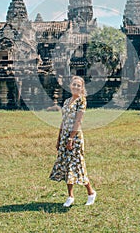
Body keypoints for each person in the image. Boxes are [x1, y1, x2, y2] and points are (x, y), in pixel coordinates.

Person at [49, 76, 96, 207]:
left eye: (78, 85)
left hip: (74, 137)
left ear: (82, 88)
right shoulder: (66, 101)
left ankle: (91, 192)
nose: (76, 87)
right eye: (74, 84)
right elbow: (63, 121)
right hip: (64, 135)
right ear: (70, 86)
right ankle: (70, 196)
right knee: (66, 164)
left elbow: (78, 121)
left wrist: (71, 138)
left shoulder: (82, 101)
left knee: (77, 164)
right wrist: (59, 138)